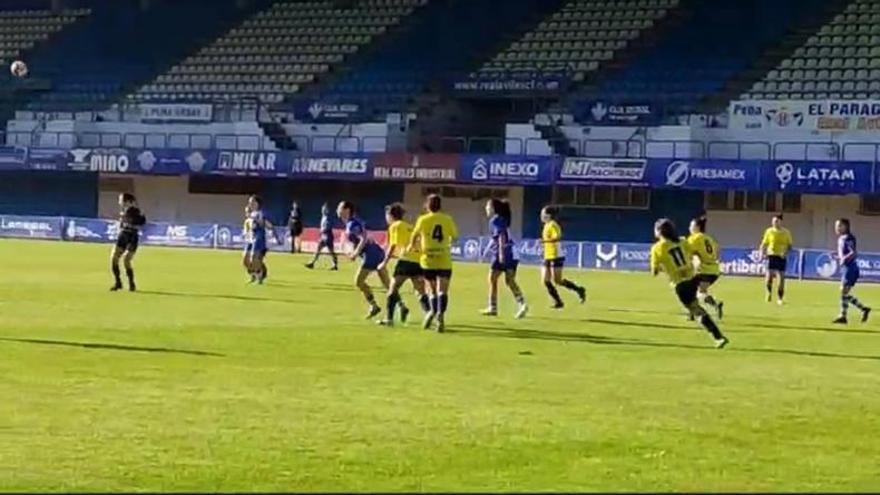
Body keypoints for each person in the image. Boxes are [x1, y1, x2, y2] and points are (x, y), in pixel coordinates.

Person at [650, 218, 729, 348]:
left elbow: (654, 272)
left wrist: (663, 267)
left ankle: (718, 337)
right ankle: (718, 336)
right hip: (692, 279)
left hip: (679, 284)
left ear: (659, 231)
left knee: (696, 310)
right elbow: (692, 254)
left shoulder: (657, 248)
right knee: (696, 306)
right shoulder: (682, 241)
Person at [407, 194, 458, 333]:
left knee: (431, 289)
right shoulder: (447, 219)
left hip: (428, 258)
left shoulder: (422, 220)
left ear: (427, 206)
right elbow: (455, 237)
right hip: (444, 258)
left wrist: (413, 246)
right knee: (443, 289)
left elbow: (414, 235)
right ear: (440, 206)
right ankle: (440, 314)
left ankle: (432, 312)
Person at [337, 200, 392, 319]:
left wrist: (356, 252)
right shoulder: (352, 223)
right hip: (377, 252)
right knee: (387, 284)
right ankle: (401, 306)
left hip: (370, 254)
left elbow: (364, 237)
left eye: (340, 207)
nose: (338, 210)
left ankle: (374, 306)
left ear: (347, 210)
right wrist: (353, 251)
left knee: (359, 281)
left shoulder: (352, 224)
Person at [376, 203, 428, 327]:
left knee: (392, 289)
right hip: (418, 261)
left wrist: (384, 262)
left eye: (387, 215)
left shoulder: (395, 226)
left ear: (390, 215)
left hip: (406, 260)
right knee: (420, 291)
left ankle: (389, 319)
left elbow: (393, 245)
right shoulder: (409, 226)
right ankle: (430, 314)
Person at [481, 199, 528, 319]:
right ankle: (522, 304)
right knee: (509, 281)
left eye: (487, 206)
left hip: (504, 252)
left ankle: (493, 307)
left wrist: (501, 254)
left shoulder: (495, 220)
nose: (486, 208)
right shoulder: (501, 219)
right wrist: (487, 250)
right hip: (512, 252)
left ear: (493, 208)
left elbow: (501, 236)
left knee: (492, 278)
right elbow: (495, 238)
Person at [539, 206, 586, 308]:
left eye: (543, 214)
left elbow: (558, 237)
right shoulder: (546, 225)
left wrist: (545, 241)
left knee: (557, 281)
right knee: (545, 280)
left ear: (548, 215)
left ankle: (579, 289)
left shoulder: (553, 225)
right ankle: (558, 302)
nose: (541, 216)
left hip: (556, 255)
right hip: (547, 256)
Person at [832, 218, 871, 324]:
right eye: (836, 226)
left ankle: (845, 315)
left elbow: (853, 252)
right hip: (846, 268)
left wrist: (844, 258)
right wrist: (838, 257)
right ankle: (861, 309)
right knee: (844, 293)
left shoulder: (848, 238)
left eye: (839, 225)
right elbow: (846, 253)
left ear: (845, 226)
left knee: (843, 291)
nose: (837, 228)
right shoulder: (841, 238)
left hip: (850, 268)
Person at [687, 215, 723, 319]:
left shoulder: (694, 238)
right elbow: (718, 250)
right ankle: (692, 314)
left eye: (691, 225)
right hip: (714, 270)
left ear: (697, 227)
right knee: (698, 291)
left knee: (693, 292)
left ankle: (715, 303)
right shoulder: (709, 238)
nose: (689, 228)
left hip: (702, 269)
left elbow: (687, 252)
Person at [110, 193, 146, 292]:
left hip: (130, 235)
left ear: (126, 201)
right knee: (115, 258)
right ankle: (119, 282)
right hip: (125, 235)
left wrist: (128, 218)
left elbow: (140, 221)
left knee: (125, 260)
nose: (119, 201)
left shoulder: (134, 211)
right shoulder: (125, 211)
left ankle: (129, 283)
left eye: (121, 199)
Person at [759, 214, 793, 305]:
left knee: (781, 278)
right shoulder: (769, 231)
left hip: (781, 257)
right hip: (771, 255)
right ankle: (768, 292)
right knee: (769, 277)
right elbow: (764, 243)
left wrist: (785, 253)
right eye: (773, 221)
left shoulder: (786, 232)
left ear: (780, 222)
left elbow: (790, 246)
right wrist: (761, 253)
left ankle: (780, 298)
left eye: (776, 221)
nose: (774, 223)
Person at [305, 203, 339, 270]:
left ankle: (335, 264)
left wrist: (324, 231)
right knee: (318, 249)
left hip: (327, 235)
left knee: (331, 251)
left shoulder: (328, 217)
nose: (323, 210)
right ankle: (312, 263)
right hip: (323, 235)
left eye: (325, 209)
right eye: (323, 209)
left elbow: (328, 226)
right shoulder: (323, 217)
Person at [245, 195, 269, 284]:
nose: (250, 204)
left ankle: (260, 276)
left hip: (258, 237)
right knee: (245, 260)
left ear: (257, 203)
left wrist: (253, 218)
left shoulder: (260, 213)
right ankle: (253, 275)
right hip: (251, 237)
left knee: (254, 258)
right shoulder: (251, 213)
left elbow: (263, 224)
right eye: (249, 202)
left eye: (252, 202)